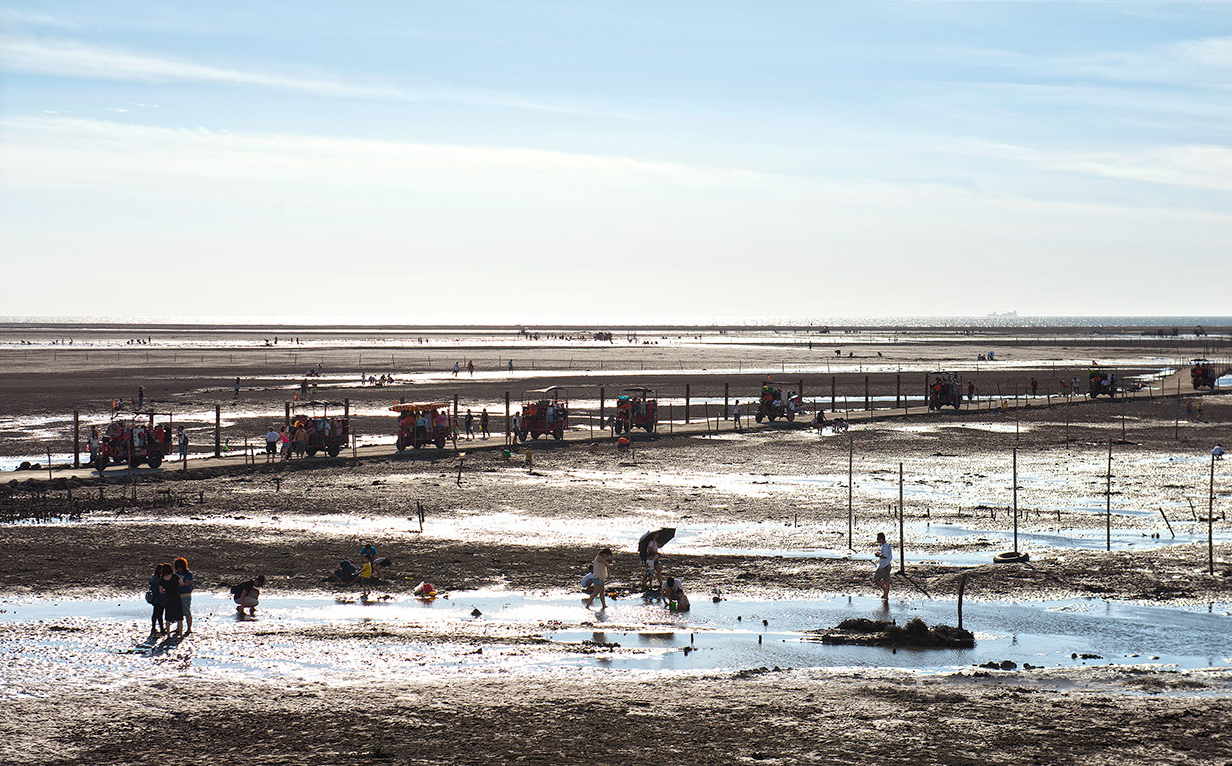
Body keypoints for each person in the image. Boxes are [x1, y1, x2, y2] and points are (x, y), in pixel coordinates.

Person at [160, 562, 185, 637]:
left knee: (168, 616)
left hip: (168, 598)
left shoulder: (162, 579)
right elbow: (182, 584)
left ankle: (168, 634)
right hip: (176, 597)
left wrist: (166, 591)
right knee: (179, 616)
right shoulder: (175, 576)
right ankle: (180, 633)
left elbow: (160, 591)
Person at [173, 557, 194, 636]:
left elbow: (187, 584)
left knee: (187, 611)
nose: (178, 569)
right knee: (178, 612)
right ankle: (179, 628)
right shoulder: (175, 574)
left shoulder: (188, 574)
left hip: (185, 595)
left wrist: (179, 584)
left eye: (179, 567)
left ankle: (189, 628)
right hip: (177, 594)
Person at [148, 563, 166, 636]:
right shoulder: (159, 580)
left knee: (155, 614)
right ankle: (161, 629)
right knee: (160, 614)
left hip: (154, 598)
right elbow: (161, 590)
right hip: (160, 598)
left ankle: (154, 628)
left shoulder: (153, 578)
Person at [874, 532, 892, 600]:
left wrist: (878, 555)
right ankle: (886, 595)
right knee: (886, 580)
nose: (877, 540)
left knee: (876, 579)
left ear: (881, 538)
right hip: (887, 565)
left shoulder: (885, 546)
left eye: (878, 538)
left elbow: (885, 556)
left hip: (884, 566)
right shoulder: (886, 546)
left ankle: (885, 591)